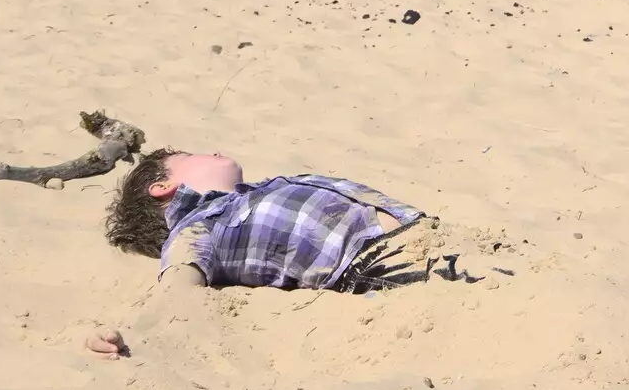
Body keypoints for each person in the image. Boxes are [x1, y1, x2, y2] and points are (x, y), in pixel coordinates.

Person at [87, 149, 456, 357]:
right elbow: (177, 289)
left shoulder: (258, 191)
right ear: (163, 187)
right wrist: (127, 336)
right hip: (381, 263)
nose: (213, 150)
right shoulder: (196, 226)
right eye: (190, 154)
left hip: (432, 235)